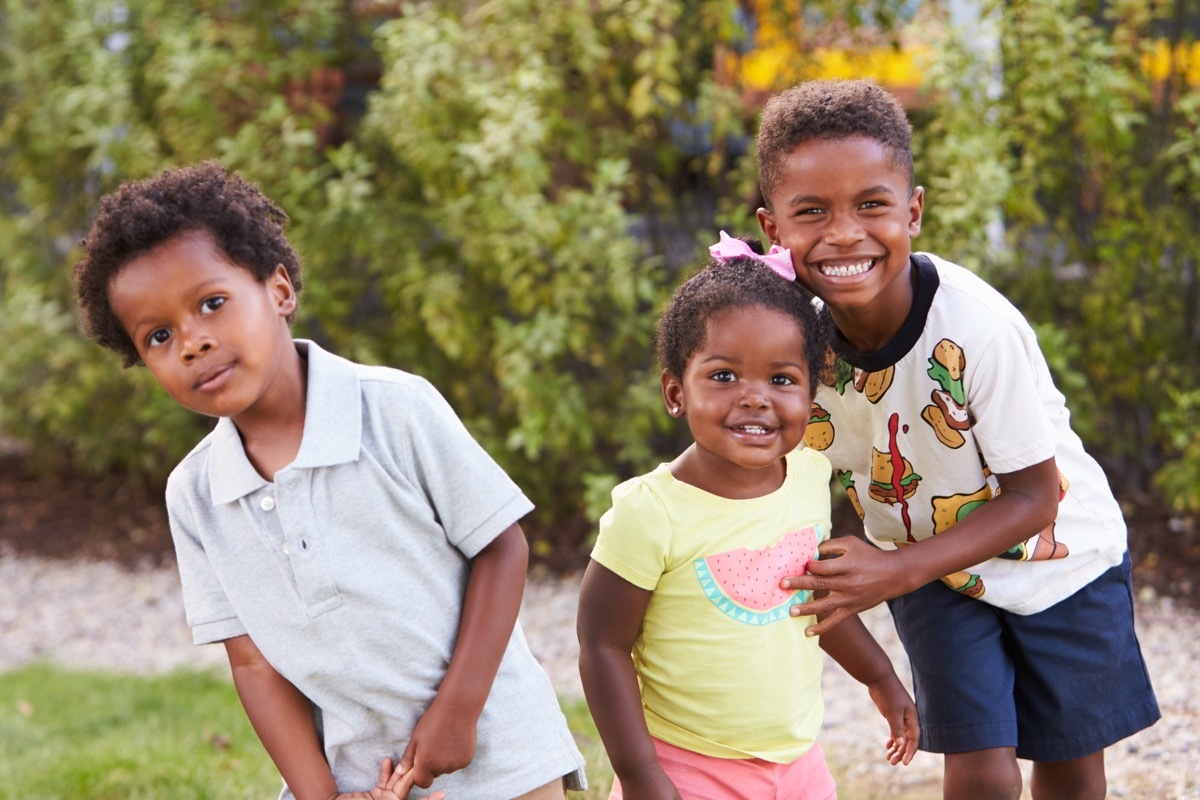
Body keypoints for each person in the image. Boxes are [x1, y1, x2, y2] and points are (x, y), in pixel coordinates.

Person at [71, 161, 587, 800]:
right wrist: (321, 794)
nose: (193, 342)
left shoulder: (396, 409)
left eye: (212, 303)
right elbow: (254, 662)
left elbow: (501, 547)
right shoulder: (195, 495)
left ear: (280, 291)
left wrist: (457, 713)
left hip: (498, 749)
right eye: (158, 336)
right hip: (353, 773)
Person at [753, 78, 1160, 800]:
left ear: (913, 211)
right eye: (811, 211)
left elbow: (1036, 499)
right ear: (772, 229)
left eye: (872, 205)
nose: (844, 232)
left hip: (1060, 559)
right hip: (932, 569)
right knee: (978, 765)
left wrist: (893, 571)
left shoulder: (975, 328)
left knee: (1067, 759)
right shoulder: (794, 342)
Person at [577, 238, 919, 800]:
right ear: (674, 392)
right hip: (686, 768)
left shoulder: (809, 475)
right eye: (724, 376)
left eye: (781, 380)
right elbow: (601, 645)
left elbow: (816, 598)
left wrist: (880, 676)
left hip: (798, 765)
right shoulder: (650, 511)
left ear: (811, 398)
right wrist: (641, 777)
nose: (755, 398)